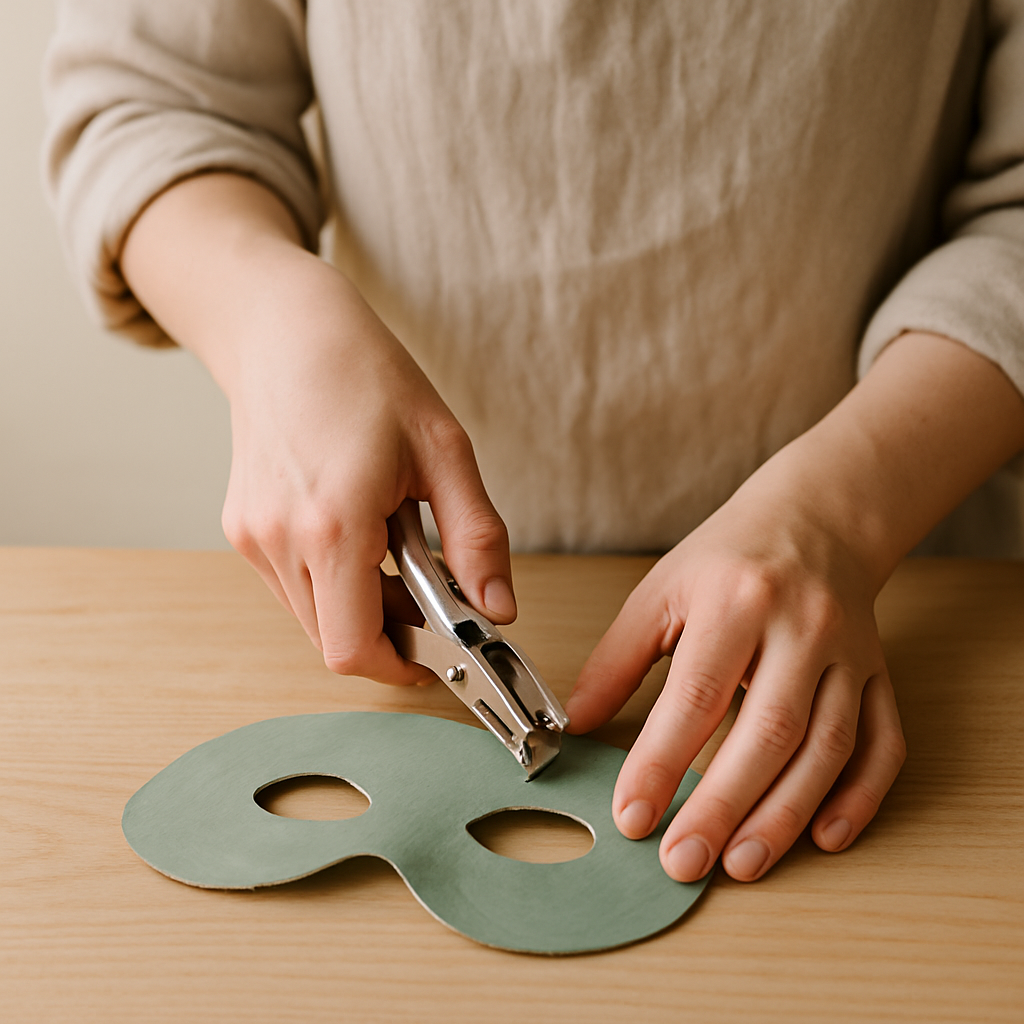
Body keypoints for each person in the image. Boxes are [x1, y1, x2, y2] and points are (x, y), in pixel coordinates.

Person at [44, 1, 1024, 885]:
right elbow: (150, 98)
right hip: (410, 573)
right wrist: (268, 321)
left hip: (896, 585)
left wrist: (841, 516)